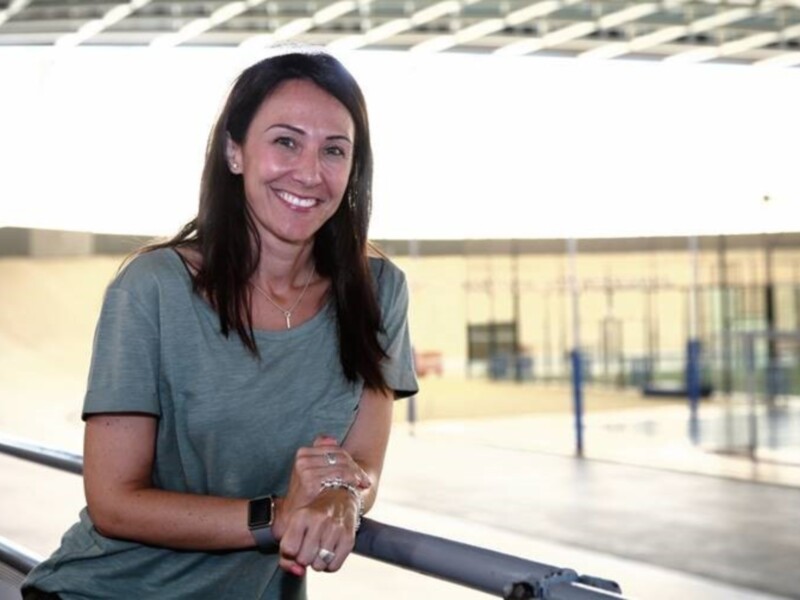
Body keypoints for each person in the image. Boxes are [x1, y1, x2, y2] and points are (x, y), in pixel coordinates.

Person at [22, 48, 418, 600]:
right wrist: (277, 517)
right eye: (285, 141)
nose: (309, 172)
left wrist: (343, 498)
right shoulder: (153, 287)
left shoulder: (380, 292)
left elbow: (362, 465)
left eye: (334, 150)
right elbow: (114, 502)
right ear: (235, 152)